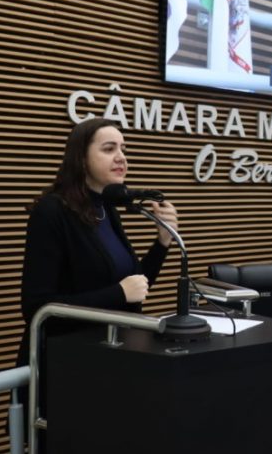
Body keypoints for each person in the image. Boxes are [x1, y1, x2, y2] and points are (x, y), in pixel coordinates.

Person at [13, 119, 178, 441]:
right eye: (109, 148)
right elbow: (36, 308)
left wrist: (162, 242)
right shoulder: (52, 212)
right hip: (67, 368)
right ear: (81, 157)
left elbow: (136, 288)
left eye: (124, 149)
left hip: (109, 360)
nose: (121, 157)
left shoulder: (105, 209)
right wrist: (117, 293)